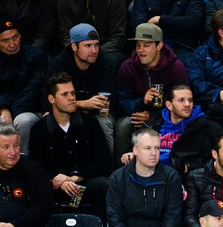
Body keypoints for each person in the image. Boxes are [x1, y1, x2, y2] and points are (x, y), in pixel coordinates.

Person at [28, 72, 111, 214]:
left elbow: (104, 160)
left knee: (106, 185)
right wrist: (56, 179)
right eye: (65, 94)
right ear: (51, 99)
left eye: (73, 93)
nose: (72, 98)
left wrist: (76, 177)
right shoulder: (39, 129)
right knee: (35, 188)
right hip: (56, 187)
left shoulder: (90, 122)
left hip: (85, 182)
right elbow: (36, 165)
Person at [115, 23, 189, 161]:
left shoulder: (175, 67)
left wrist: (152, 116)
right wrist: (141, 101)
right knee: (122, 126)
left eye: (146, 45)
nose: (140, 50)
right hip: (137, 117)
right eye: (138, 45)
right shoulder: (128, 67)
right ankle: (120, 174)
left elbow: (183, 105)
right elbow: (122, 102)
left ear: (159, 45)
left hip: (165, 119)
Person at [47, 23, 116, 152]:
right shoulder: (59, 63)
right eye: (88, 45)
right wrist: (82, 104)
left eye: (96, 45)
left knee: (104, 122)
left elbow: (111, 101)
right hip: (65, 113)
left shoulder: (106, 63)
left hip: (97, 114)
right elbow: (47, 101)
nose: (94, 50)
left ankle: (107, 169)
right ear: (74, 46)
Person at [144, 83, 222, 175]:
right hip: (150, 171)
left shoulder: (204, 126)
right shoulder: (153, 124)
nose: (187, 104)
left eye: (190, 100)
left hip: (182, 177)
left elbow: (218, 155)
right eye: (181, 100)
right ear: (169, 105)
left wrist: (191, 166)